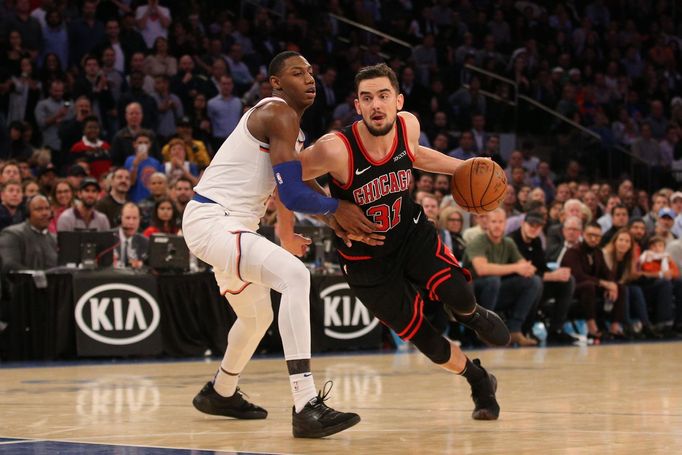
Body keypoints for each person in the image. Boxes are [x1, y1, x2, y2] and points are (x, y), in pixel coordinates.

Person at [298, 63, 508, 420]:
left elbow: (414, 153)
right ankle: (479, 379)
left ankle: (469, 313)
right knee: (425, 338)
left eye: (383, 96)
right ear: (357, 105)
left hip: (409, 232)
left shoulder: (408, 124)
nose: (375, 105)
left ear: (398, 100)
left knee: (459, 294)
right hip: (366, 258)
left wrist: (461, 166)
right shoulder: (335, 148)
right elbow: (287, 179)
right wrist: (332, 212)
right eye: (367, 98)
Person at [182, 51, 371, 438]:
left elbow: (290, 186)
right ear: (276, 82)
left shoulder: (292, 130)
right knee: (295, 276)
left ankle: (220, 392)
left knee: (256, 319)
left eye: (312, 72)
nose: (309, 78)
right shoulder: (276, 111)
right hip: (214, 219)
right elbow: (295, 192)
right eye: (297, 72)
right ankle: (305, 404)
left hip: (228, 227)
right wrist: (337, 210)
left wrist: (293, 231)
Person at [509, 210, 578, 345]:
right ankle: (524, 329)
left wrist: (557, 274)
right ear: (523, 223)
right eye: (532, 225)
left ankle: (556, 330)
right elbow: (523, 271)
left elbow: (541, 266)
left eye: (538, 226)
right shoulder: (512, 240)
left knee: (568, 281)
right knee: (536, 282)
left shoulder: (536, 241)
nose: (535, 229)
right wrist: (549, 275)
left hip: (535, 281)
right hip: (515, 283)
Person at [0, 195, 57, 272]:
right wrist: (39, 277)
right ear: (28, 213)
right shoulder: (12, 234)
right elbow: (10, 265)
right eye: (39, 209)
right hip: (22, 283)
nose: (45, 213)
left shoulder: (54, 239)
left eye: (47, 209)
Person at [115, 202, 148, 269]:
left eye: (135, 218)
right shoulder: (109, 238)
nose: (131, 222)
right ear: (120, 219)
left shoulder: (145, 242)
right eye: (128, 218)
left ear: (139, 220)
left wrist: (140, 265)